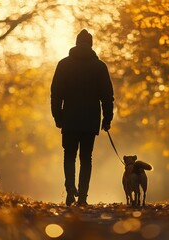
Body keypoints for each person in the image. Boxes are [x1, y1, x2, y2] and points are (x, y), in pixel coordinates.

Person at [51, 29, 114, 206]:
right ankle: (83, 198)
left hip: (69, 118)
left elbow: (56, 93)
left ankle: (70, 188)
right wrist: (107, 118)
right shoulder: (99, 66)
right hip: (90, 120)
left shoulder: (64, 64)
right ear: (91, 44)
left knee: (69, 155)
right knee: (86, 158)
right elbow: (107, 96)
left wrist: (57, 115)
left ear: (77, 43)